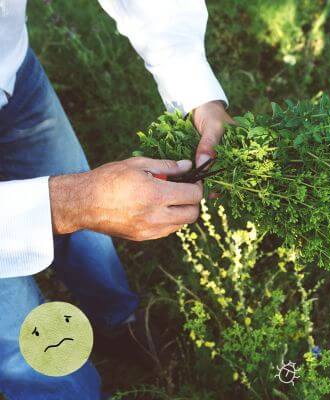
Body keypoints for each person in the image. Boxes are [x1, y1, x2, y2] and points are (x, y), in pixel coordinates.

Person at [0, 1, 232, 398]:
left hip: (11, 69)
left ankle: (118, 321)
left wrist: (196, 90)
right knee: (22, 333)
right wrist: (68, 203)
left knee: (89, 232)